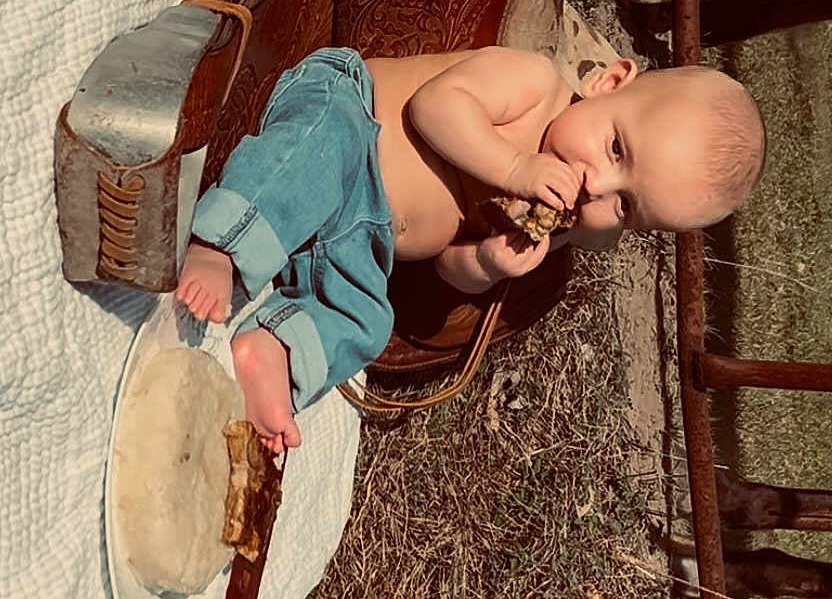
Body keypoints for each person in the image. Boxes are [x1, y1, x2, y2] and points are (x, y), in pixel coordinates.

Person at [176, 45, 765, 451]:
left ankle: (276, 352)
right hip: (350, 116)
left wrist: (486, 264)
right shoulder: (535, 86)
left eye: (626, 206)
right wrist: (515, 167)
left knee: (368, 320)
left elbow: (447, 265)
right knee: (308, 162)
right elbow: (434, 106)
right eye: (616, 149)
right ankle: (222, 248)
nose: (597, 186)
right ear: (607, 83)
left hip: (361, 236)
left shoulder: (563, 223)